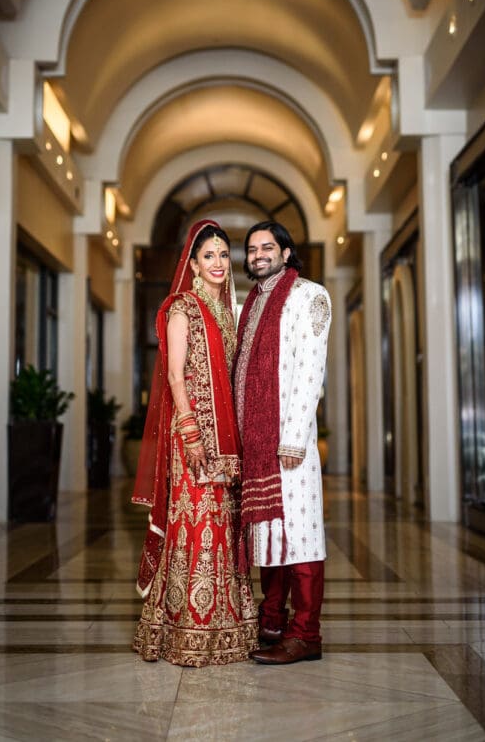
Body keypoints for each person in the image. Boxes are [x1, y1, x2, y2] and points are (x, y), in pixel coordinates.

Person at [131, 219, 258, 667]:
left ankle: (225, 623)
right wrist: (190, 430)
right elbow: (174, 374)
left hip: (226, 441)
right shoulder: (182, 308)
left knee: (223, 524)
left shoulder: (227, 312)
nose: (219, 263)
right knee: (197, 521)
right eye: (210, 256)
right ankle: (186, 626)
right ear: (194, 263)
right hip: (194, 436)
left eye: (225, 255)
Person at [234, 220, 331, 664]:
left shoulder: (309, 296)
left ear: (286, 253)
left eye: (267, 247)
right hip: (257, 445)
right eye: (252, 249)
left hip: (287, 444)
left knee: (303, 535)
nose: (258, 255)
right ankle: (271, 619)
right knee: (270, 536)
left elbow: (311, 372)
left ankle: (305, 633)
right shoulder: (251, 303)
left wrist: (292, 438)